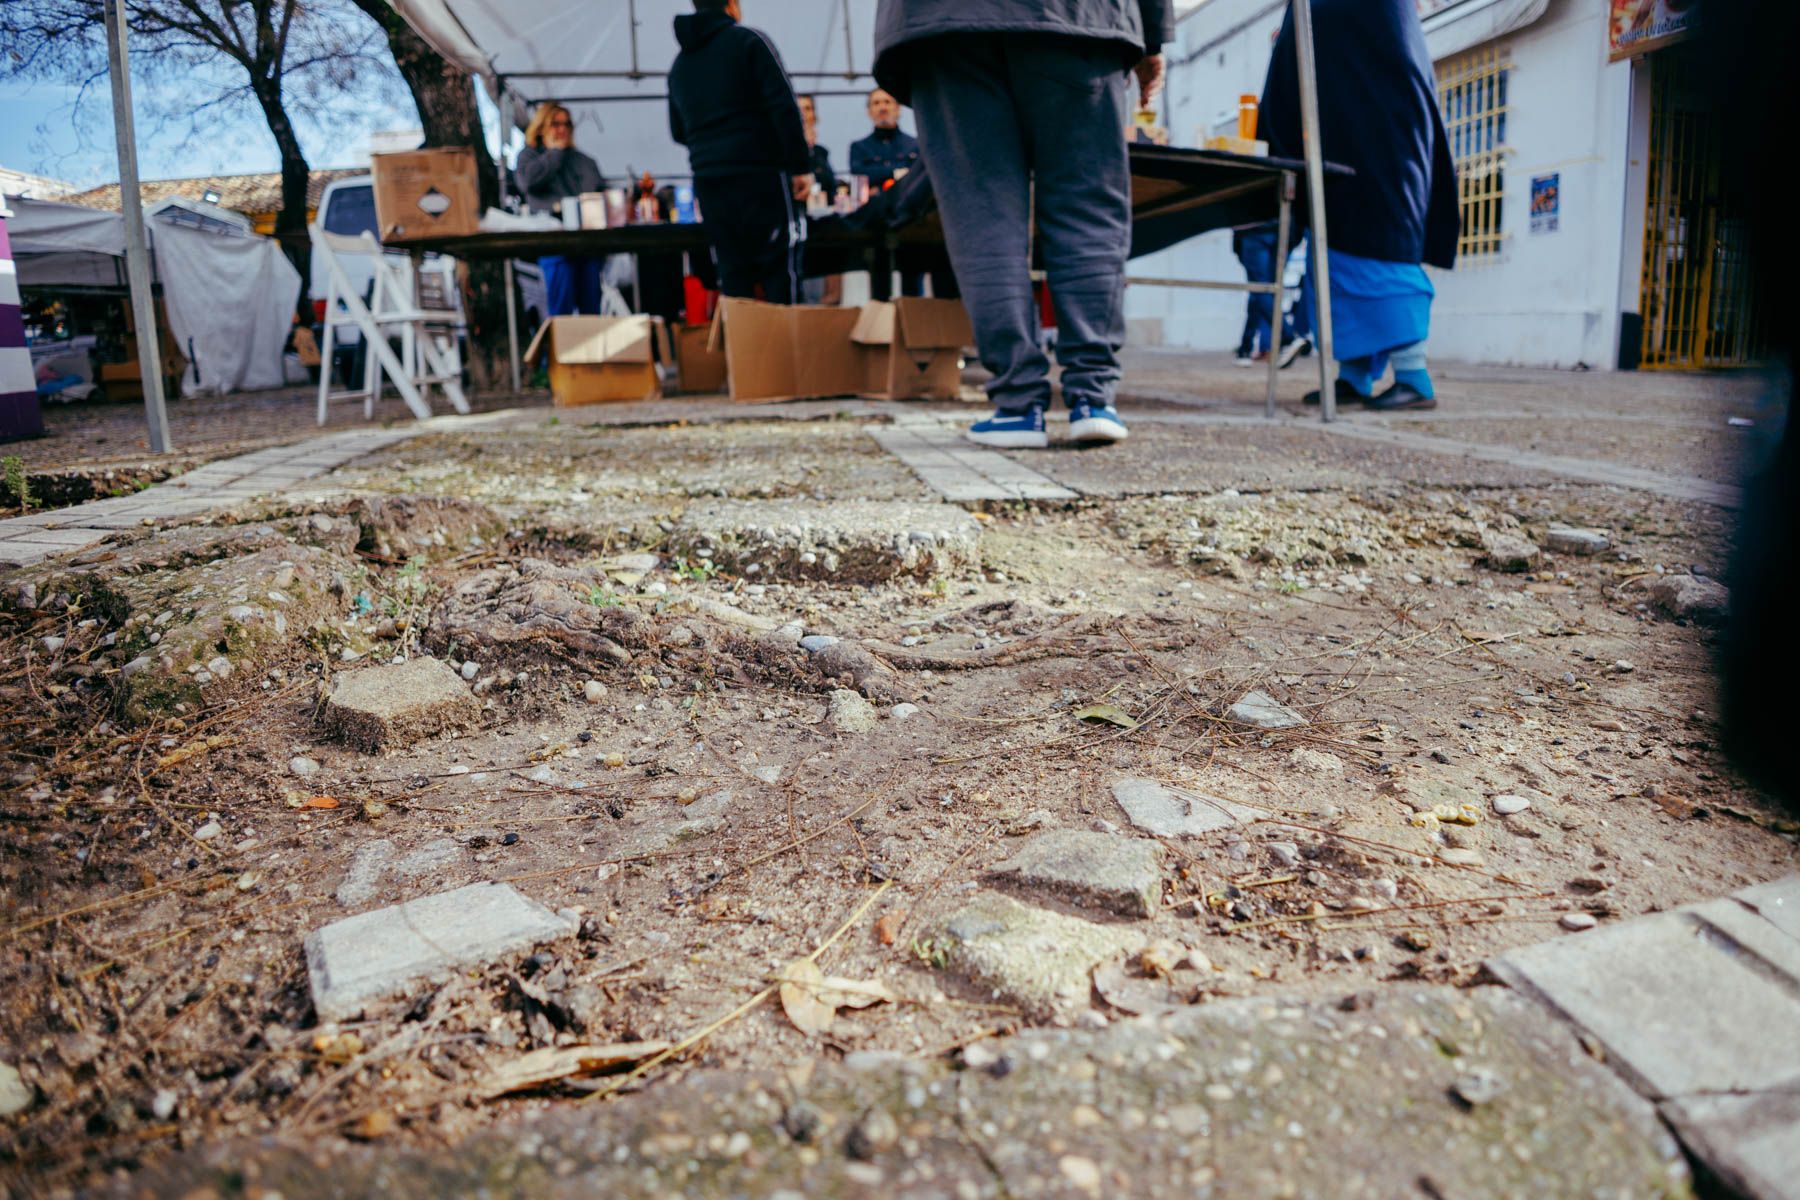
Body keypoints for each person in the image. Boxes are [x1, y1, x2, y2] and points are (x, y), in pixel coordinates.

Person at [873, 0, 1173, 448]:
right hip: (1079, 19)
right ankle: (1092, 397)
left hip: (945, 24)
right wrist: (1152, 36)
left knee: (982, 213)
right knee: (1087, 205)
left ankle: (1017, 406)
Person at [1257, 0, 1458, 412]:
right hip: (1341, 136)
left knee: (1381, 255)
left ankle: (1412, 376)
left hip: (1381, 142)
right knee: (1334, 260)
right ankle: (1354, 376)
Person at [668, 0, 813, 305]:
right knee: (779, 272)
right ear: (732, 5)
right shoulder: (749, 41)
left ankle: (744, 351)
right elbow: (784, 106)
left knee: (734, 275)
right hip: (760, 176)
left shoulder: (679, 66)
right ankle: (785, 351)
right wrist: (800, 165)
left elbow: (678, 131)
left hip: (709, 182)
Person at [515, 103, 605, 316]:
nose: (562, 129)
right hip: (553, 243)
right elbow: (528, 182)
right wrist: (554, 154)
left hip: (586, 242)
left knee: (591, 310)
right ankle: (558, 348)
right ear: (541, 126)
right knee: (560, 311)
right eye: (555, 123)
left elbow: (596, 191)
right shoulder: (529, 157)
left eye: (566, 124)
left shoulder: (582, 160)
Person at [1231, 222, 1309, 367]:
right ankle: (1253, 348)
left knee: (1260, 289)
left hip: (1255, 230)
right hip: (1282, 228)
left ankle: (1287, 338)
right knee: (1266, 292)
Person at [797, 94, 843, 305]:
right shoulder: (786, 152)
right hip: (800, 229)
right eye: (799, 109)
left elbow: (830, 186)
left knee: (830, 294)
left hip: (824, 227)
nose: (804, 114)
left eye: (808, 108)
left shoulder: (822, 154)